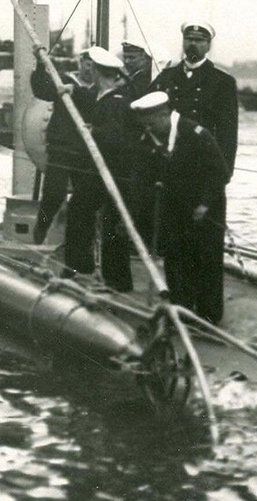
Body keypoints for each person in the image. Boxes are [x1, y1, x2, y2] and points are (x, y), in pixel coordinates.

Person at [150, 22, 238, 322]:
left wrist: (219, 182)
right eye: (189, 38)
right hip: (173, 175)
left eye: (200, 40)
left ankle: (209, 316)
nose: (194, 44)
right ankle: (181, 311)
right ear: (183, 40)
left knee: (207, 251)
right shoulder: (168, 78)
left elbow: (228, 136)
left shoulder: (221, 82)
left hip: (205, 177)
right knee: (175, 248)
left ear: (209, 45)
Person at [131, 91, 228, 323]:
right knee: (176, 259)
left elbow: (220, 172)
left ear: (164, 115)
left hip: (206, 210)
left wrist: (204, 204)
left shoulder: (195, 134)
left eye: (152, 124)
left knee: (207, 260)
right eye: (145, 125)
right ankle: (181, 311)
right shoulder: (154, 137)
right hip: (175, 209)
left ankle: (209, 317)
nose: (149, 130)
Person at [61, 46, 136, 292]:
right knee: (87, 212)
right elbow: (88, 97)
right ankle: (89, 270)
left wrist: (94, 131)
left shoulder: (116, 101)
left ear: (99, 72)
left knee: (96, 215)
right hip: (100, 171)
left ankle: (101, 275)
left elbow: (116, 136)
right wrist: (72, 90)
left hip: (112, 172)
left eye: (92, 69)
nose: (88, 73)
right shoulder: (102, 96)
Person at [30, 48, 95, 244]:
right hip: (62, 147)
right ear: (80, 62)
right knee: (53, 194)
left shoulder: (100, 89)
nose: (90, 68)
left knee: (85, 199)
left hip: (87, 150)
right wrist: (41, 65)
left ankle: (83, 242)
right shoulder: (64, 82)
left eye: (94, 65)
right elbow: (42, 89)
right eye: (87, 63)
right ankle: (42, 225)